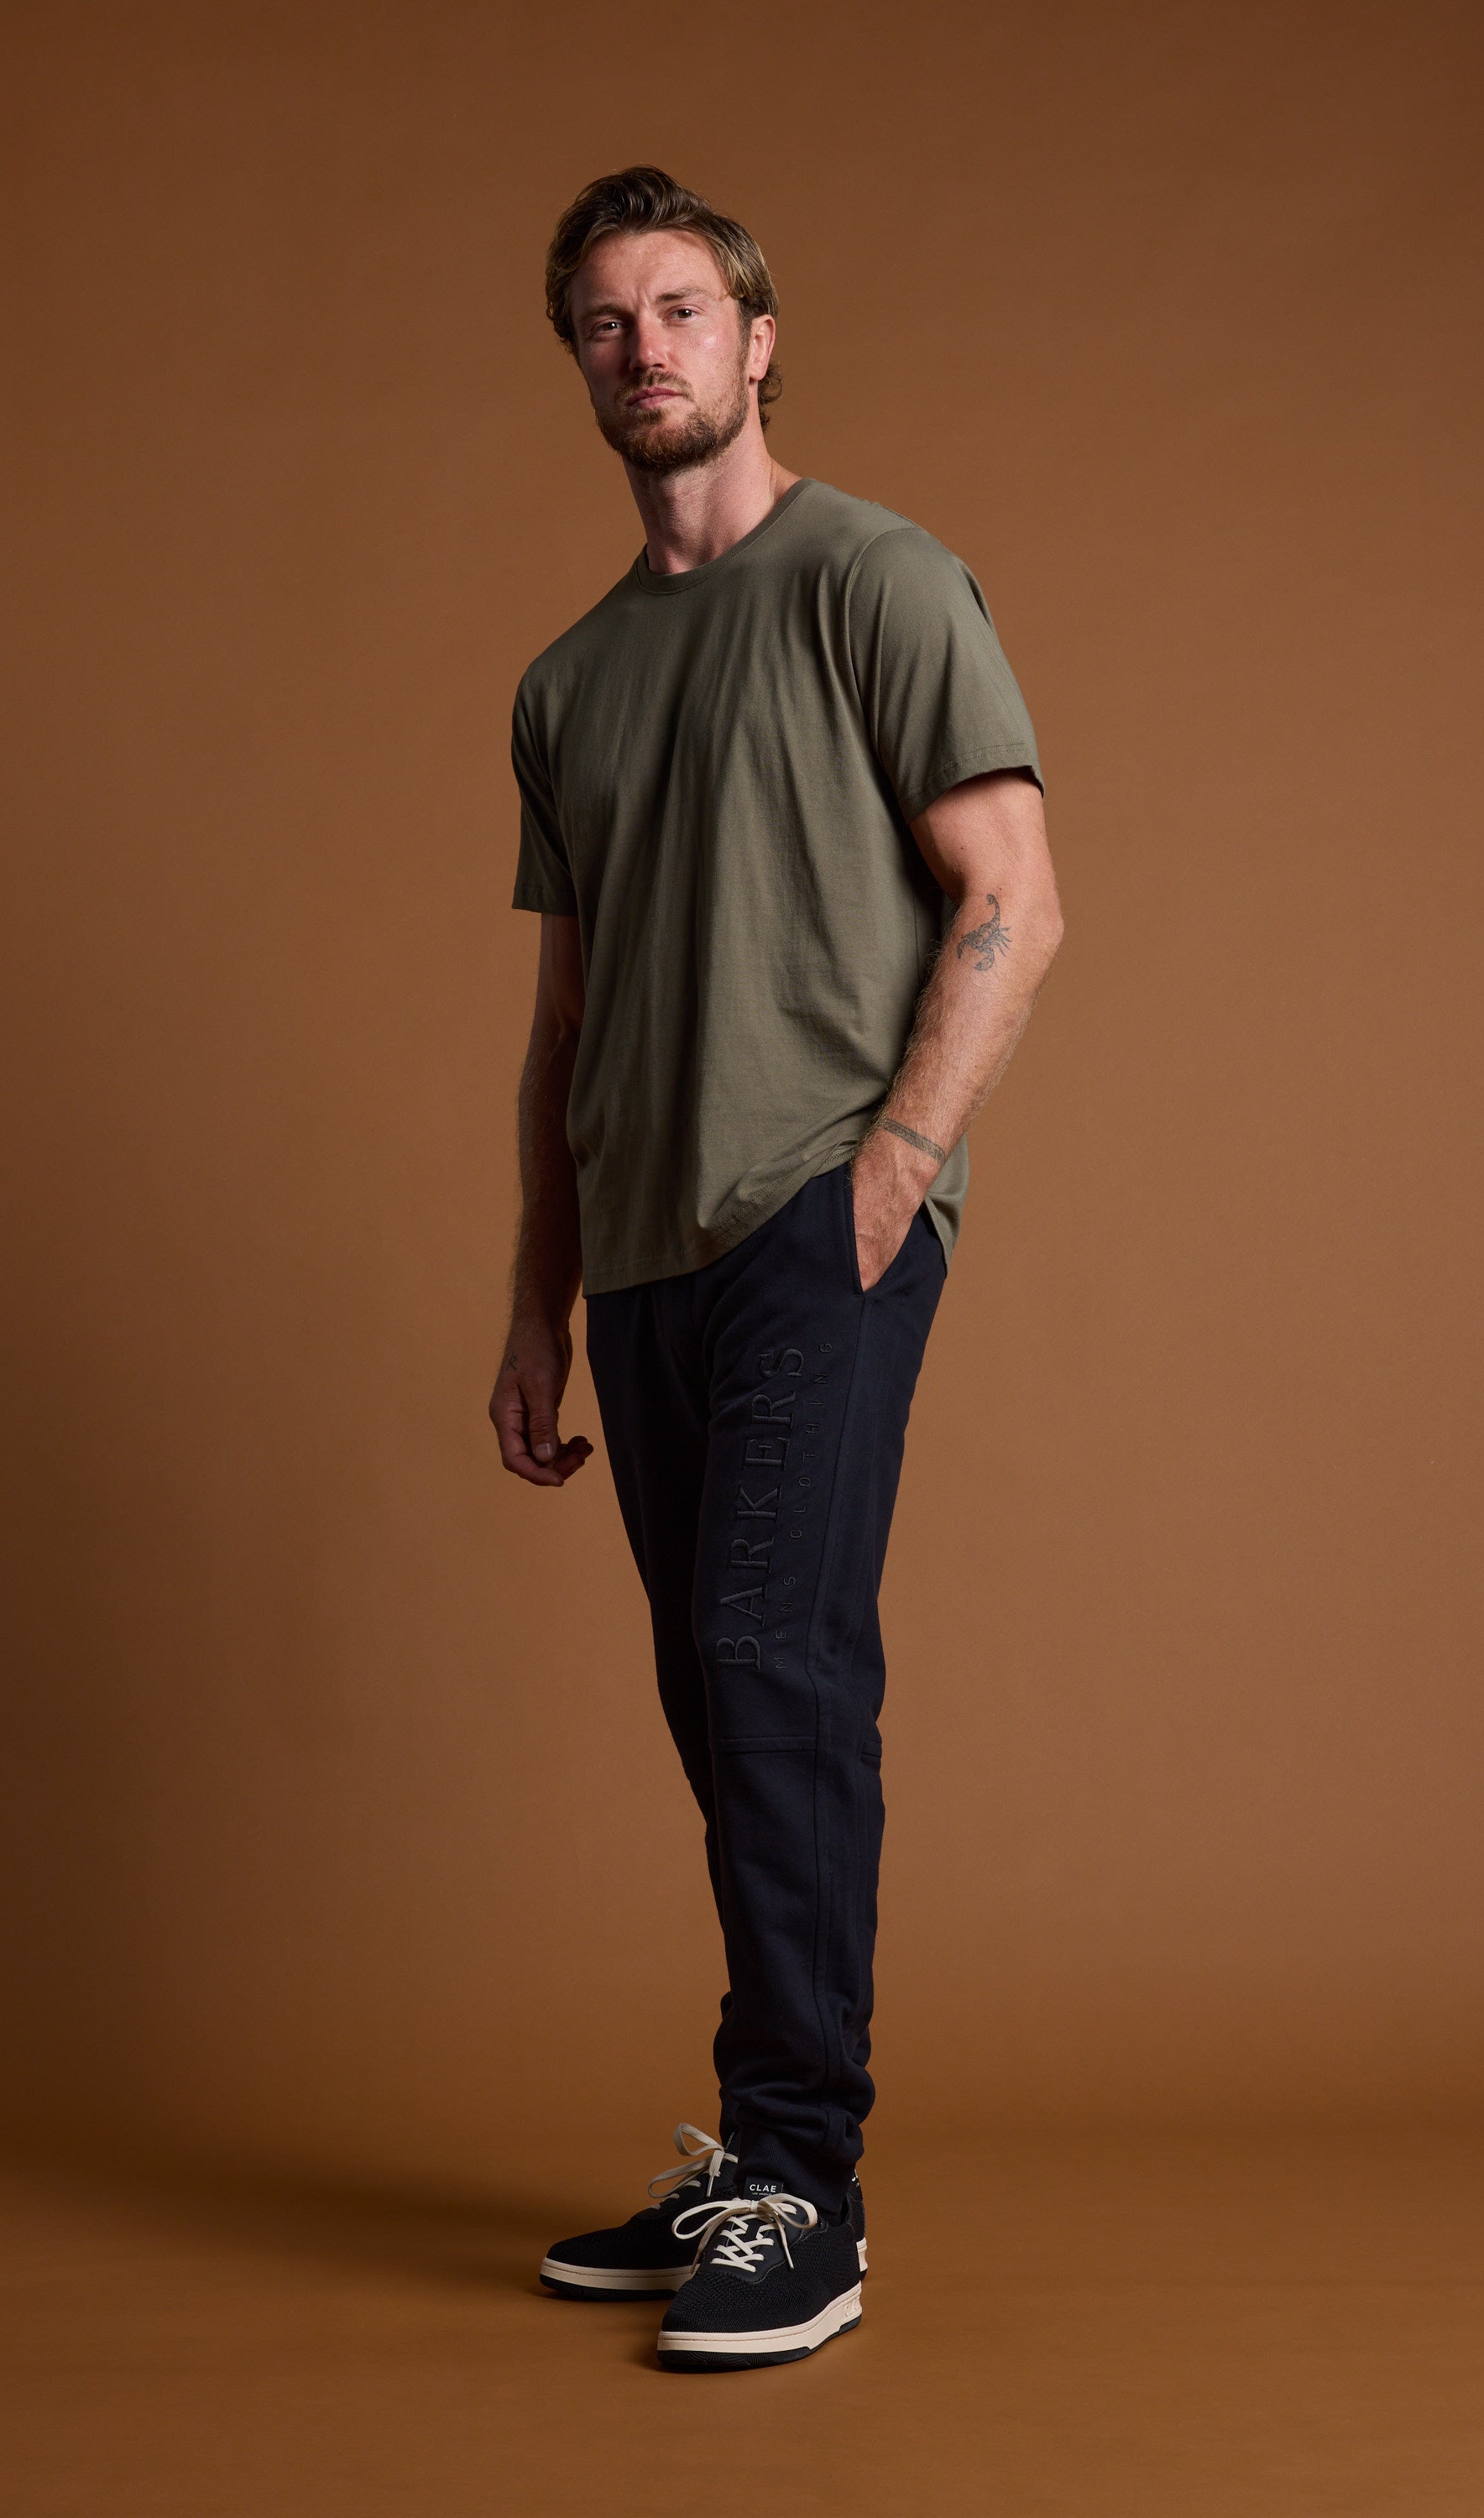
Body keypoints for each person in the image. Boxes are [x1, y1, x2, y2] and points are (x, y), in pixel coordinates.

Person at [489, 166, 1063, 2373]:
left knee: (774, 1663)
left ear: (756, 341)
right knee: (712, 1693)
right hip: (639, 1256)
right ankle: (754, 2149)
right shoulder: (568, 683)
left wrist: (896, 1165)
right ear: (582, 367)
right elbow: (564, 1026)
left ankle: (803, 2188)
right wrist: (535, 1301)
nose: (643, 349)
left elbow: (1013, 894)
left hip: (818, 1214)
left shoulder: (878, 580)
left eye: (679, 310)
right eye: (605, 322)